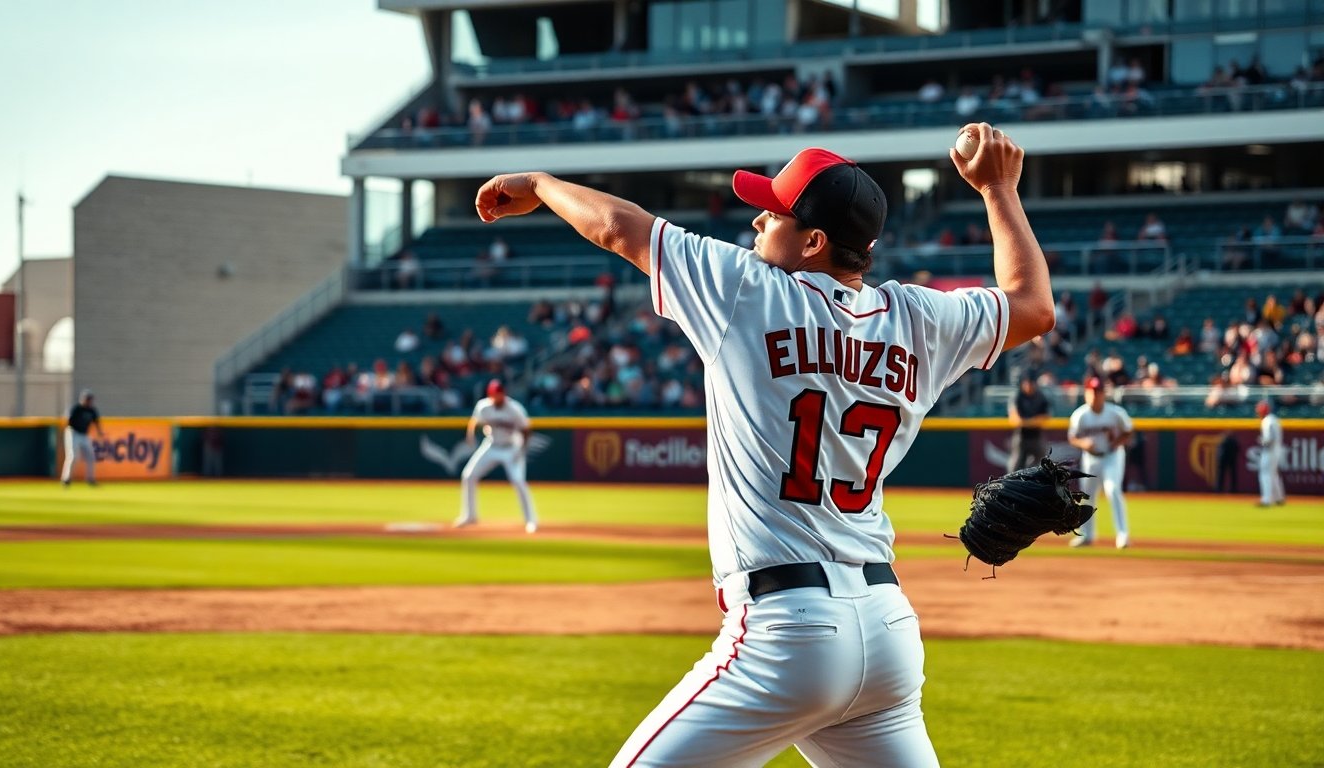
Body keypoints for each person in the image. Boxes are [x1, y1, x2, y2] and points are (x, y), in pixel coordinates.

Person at [474, 125, 1056, 766]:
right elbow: (1031, 306)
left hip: (786, 634)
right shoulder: (920, 319)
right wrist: (1000, 189)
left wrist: (541, 183)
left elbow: (619, 227)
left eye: (774, 211)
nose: (756, 220)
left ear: (812, 241)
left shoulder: (744, 289)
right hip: (888, 631)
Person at [454, 379, 538, 533]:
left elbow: (526, 429)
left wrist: (521, 450)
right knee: (468, 476)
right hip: (491, 445)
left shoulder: (514, 409)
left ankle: (531, 520)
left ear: (503, 394)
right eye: (494, 394)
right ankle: (470, 515)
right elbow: (475, 421)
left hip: (512, 447)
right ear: (490, 395)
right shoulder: (484, 406)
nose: (497, 397)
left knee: (518, 481)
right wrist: (470, 434)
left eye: (499, 394)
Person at [1067, 378, 1134, 548]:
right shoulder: (1080, 414)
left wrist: (1115, 443)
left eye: (1098, 392)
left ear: (1103, 394)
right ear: (1086, 393)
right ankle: (1087, 535)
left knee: (1113, 490)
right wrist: (1084, 444)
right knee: (1087, 496)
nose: (1094, 395)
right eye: (1091, 391)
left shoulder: (1115, 412)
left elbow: (1128, 432)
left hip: (1112, 456)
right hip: (1091, 458)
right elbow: (1072, 437)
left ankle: (1122, 535)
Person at [61, 389, 104, 487]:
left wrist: (100, 432)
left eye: (90, 399)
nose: (89, 401)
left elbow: (96, 422)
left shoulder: (92, 410)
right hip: (73, 432)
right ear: (83, 399)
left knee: (91, 456)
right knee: (73, 456)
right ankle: (66, 479)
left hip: (84, 435)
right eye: (87, 399)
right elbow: (68, 421)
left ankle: (90, 479)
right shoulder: (76, 408)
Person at [1007, 374, 1051, 472]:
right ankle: (1009, 484)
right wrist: (1034, 421)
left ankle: (1030, 476)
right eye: (1026, 383)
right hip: (1021, 436)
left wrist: (1026, 422)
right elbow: (1015, 420)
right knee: (1016, 464)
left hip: (1036, 436)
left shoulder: (1040, 396)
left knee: (1043, 463)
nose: (1029, 386)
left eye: (1031, 383)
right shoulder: (1017, 396)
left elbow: (1046, 417)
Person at [1255, 400, 1286, 507]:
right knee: (1273, 474)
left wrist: (1262, 440)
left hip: (1269, 450)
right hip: (1277, 449)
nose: (1258, 413)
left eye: (1259, 410)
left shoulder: (1267, 421)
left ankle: (1267, 500)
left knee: (1265, 474)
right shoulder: (1274, 419)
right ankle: (1279, 498)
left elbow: (1269, 438)